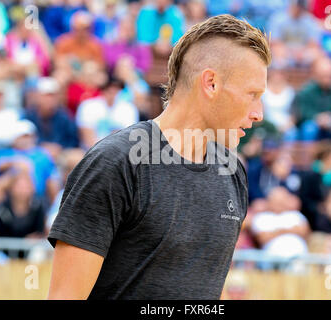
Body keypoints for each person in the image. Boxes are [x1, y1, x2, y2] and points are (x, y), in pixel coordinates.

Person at [47, 14, 271, 300]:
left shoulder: (232, 171)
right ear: (211, 83)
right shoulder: (115, 163)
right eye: (252, 94)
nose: (258, 113)